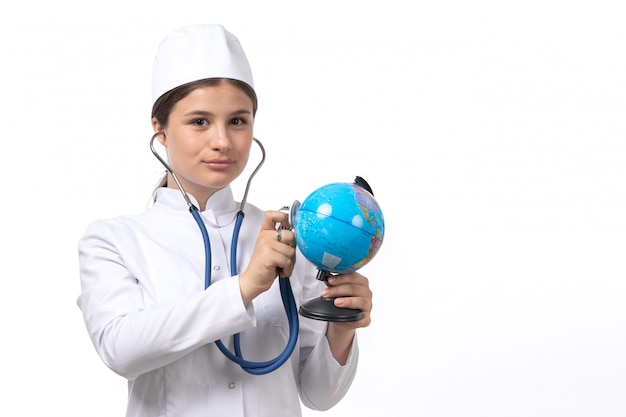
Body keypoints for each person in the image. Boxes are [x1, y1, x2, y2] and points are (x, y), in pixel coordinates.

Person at [77, 24, 374, 417]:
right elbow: (120, 350)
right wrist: (245, 287)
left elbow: (319, 394)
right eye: (199, 121)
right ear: (160, 129)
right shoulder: (115, 240)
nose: (222, 141)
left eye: (238, 121)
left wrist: (342, 323)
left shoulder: (289, 239)